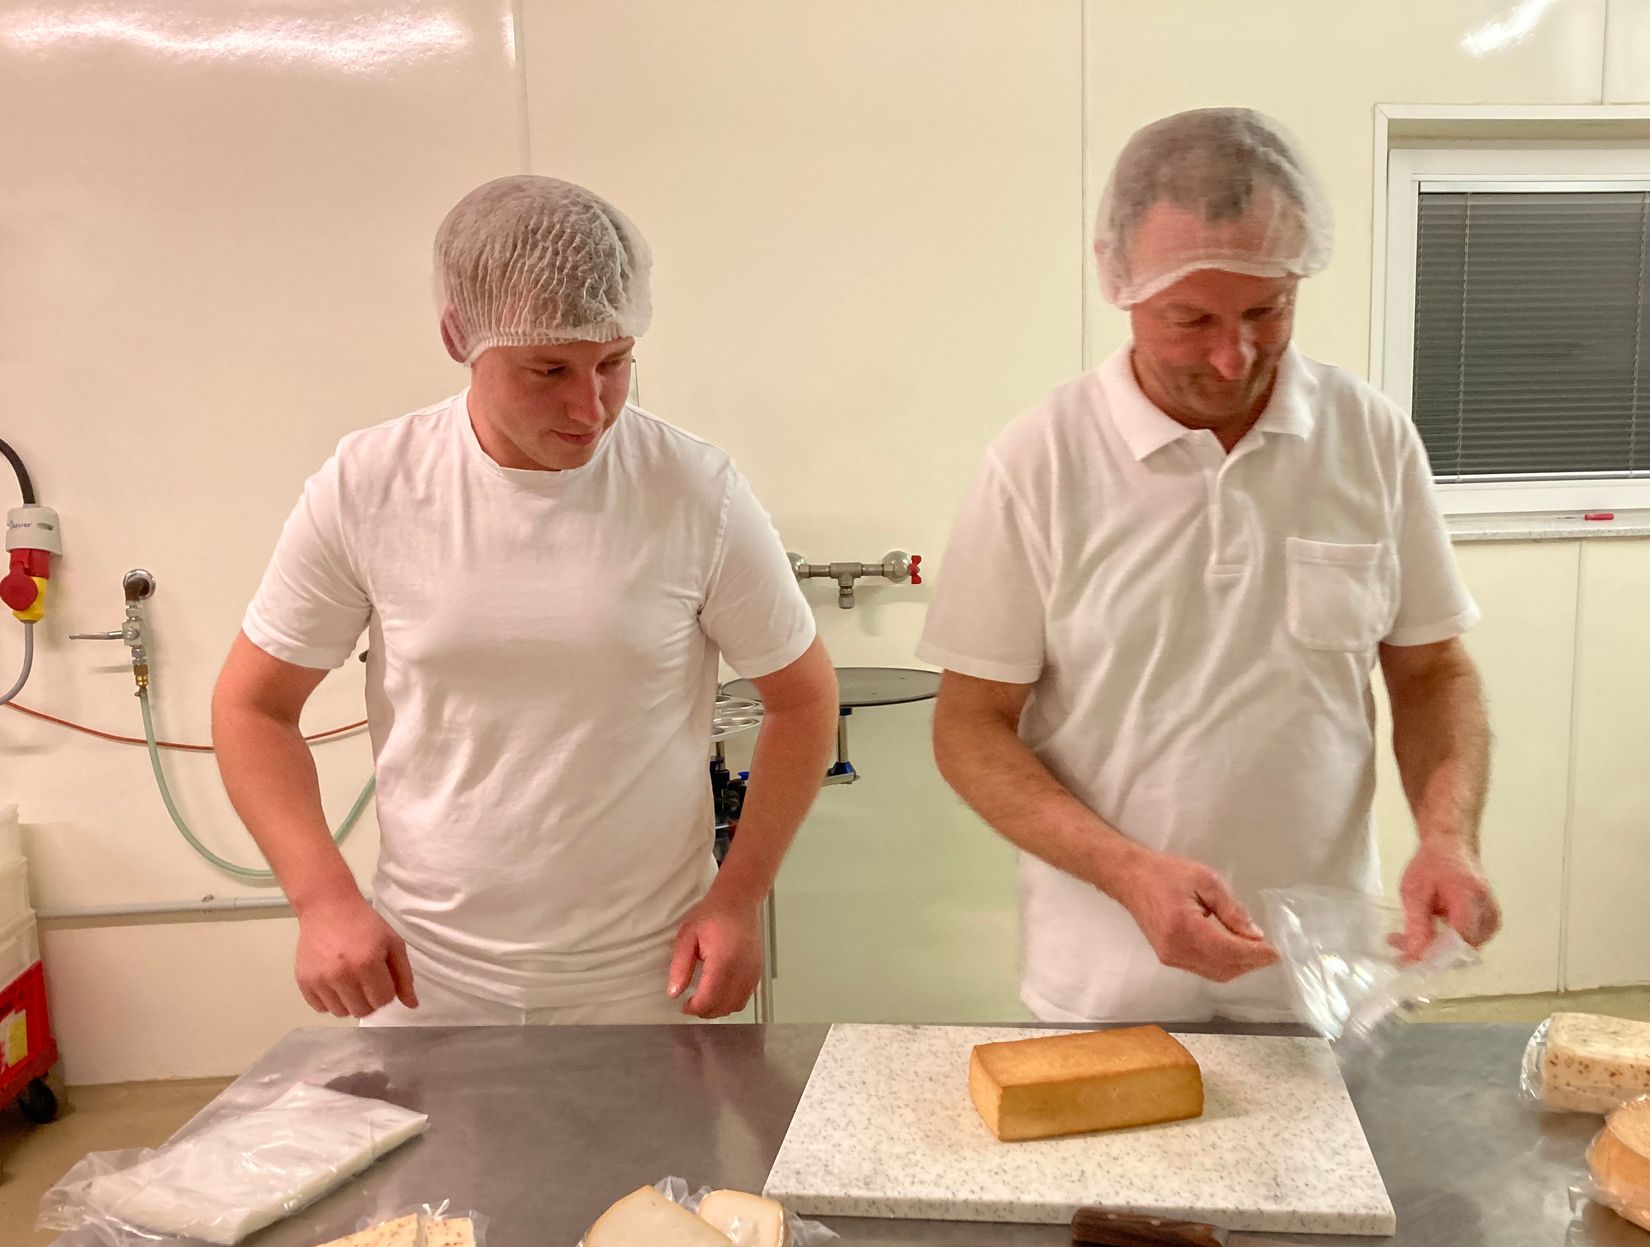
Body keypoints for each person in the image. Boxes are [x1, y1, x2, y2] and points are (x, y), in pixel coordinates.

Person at [918, 109, 1499, 1023]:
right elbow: (970, 726)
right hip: (1106, 984)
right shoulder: (1041, 461)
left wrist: (1447, 836)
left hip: (1320, 980)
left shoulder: (1369, 439)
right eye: (1190, 320)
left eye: (1268, 311)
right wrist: (1126, 871)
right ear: (1120, 281)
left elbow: (1431, 672)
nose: (1233, 359)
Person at [212, 175, 837, 1025]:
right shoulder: (371, 486)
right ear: (459, 338)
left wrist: (738, 897)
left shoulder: (694, 491)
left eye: (615, 363)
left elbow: (802, 698)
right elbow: (253, 707)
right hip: (426, 977)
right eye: (549, 370)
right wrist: (322, 898)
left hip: (646, 977)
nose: (591, 407)